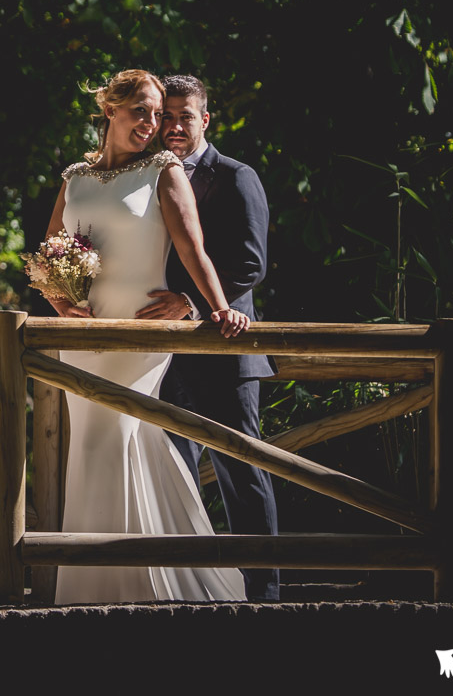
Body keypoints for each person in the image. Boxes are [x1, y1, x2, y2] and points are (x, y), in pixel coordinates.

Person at [43, 69, 247, 604]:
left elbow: (192, 249)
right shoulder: (75, 178)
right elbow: (48, 255)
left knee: (116, 437)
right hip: (84, 335)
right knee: (93, 447)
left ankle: (139, 581)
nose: (153, 123)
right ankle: (98, 584)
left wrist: (218, 308)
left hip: (140, 329)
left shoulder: (165, 171)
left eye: (159, 114)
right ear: (110, 110)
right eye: (142, 111)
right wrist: (61, 302)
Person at [139, 74, 279, 601]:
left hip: (225, 350)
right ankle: (189, 587)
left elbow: (251, 262)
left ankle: (263, 592)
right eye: (166, 116)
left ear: (206, 120)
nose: (173, 126)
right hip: (162, 355)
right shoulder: (144, 175)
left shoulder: (237, 176)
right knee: (173, 473)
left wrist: (193, 304)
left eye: (184, 117)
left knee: (242, 470)